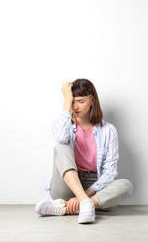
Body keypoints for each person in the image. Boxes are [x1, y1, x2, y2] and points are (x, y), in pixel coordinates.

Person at [34, 78, 133, 224]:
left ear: (92, 100)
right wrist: (67, 99)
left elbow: (110, 171)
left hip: (95, 187)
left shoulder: (108, 130)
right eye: (72, 102)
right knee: (61, 147)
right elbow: (61, 138)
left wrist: (83, 196)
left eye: (80, 101)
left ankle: (67, 207)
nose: (75, 107)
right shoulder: (65, 126)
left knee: (126, 185)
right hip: (67, 185)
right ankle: (86, 205)